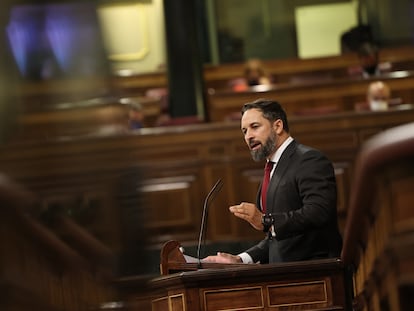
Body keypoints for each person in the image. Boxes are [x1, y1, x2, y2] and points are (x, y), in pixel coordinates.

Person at [204, 99, 342, 264]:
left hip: (315, 271)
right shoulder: (273, 167)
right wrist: (241, 259)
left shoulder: (308, 159)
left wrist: (265, 220)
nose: (248, 136)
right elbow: (278, 239)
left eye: (255, 127)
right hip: (284, 274)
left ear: (278, 126)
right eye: (244, 131)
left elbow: (318, 212)